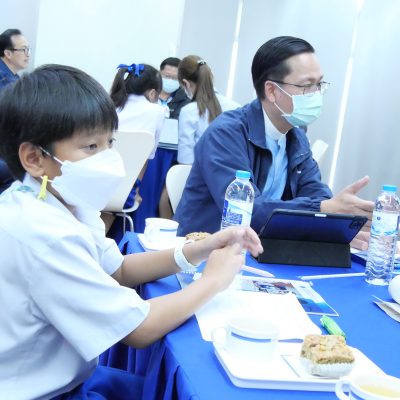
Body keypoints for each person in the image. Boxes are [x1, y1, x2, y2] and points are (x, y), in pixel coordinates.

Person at [0, 64, 263, 399]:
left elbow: (119, 269)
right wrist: (213, 281)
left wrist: (199, 250)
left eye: (110, 142)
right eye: (90, 147)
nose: (108, 158)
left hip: (70, 378)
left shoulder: (60, 201)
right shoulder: (44, 235)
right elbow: (140, 329)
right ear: (34, 158)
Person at [174, 36, 373, 250]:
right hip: (204, 251)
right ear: (272, 91)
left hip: (261, 249)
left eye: (319, 84)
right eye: (307, 86)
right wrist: (324, 208)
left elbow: (316, 192)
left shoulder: (296, 137)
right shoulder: (225, 134)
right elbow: (247, 211)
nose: (316, 94)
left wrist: (334, 218)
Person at [177, 55, 240, 164]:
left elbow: (185, 158)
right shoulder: (235, 107)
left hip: (199, 172)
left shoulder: (189, 111)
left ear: (186, 83)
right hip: (230, 170)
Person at [0, 28, 31, 194]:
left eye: (28, 49)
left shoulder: (13, 77)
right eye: (23, 50)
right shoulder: (4, 80)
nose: (27, 54)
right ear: (8, 53)